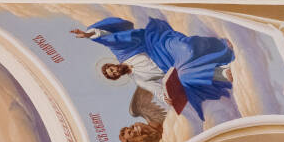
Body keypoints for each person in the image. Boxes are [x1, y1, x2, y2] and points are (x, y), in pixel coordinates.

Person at [71, 17, 234, 119]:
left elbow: (110, 40)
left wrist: (90, 35)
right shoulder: (139, 79)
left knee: (186, 48)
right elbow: (156, 89)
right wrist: (166, 98)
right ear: (117, 77)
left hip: (162, 48)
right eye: (113, 74)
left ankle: (221, 47)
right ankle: (222, 73)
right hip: (171, 66)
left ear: (113, 64)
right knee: (185, 77)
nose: (114, 71)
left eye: (111, 69)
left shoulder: (123, 53)